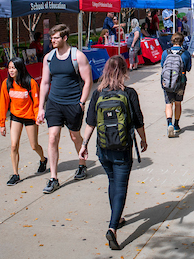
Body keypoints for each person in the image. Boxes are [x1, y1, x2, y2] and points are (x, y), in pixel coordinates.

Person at [79, 55, 147, 251]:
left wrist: (84, 144)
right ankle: (112, 227)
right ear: (125, 71)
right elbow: (138, 120)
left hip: (103, 148)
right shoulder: (129, 93)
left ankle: (116, 218)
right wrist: (143, 139)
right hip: (123, 148)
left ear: (106, 71)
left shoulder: (98, 93)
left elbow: (91, 121)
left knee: (112, 182)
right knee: (121, 187)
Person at [37, 24, 93, 194]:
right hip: (54, 103)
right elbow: (45, 83)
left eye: (56, 38)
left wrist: (81, 103)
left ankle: (82, 165)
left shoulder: (78, 56)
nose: (52, 40)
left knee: (75, 136)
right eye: (52, 37)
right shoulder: (48, 58)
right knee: (53, 138)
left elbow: (88, 81)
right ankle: (54, 178)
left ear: (65, 38)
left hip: (72, 103)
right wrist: (41, 107)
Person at [0, 57, 47, 186]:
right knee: (14, 145)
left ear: (20, 68)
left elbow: (36, 103)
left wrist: (38, 117)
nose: (11, 70)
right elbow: (3, 104)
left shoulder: (30, 83)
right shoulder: (6, 83)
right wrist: (2, 124)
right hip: (15, 117)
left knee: (34, 145)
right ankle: (15, 174)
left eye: (13, 68)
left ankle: (43, 159)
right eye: (9, 68)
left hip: (30, 117)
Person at [160, 32, 192, 138]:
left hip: (166, 82)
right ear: (182, 41)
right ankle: (176, 124)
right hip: (180, 82)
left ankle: (169, 123)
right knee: (178, 103)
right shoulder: (185, 53)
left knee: (169, 103)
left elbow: (162, 66)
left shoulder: (166, 53)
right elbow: (188, 68)